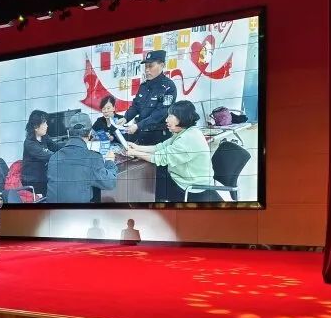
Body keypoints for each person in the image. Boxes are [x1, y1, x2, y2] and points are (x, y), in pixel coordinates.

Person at [126, 100, 218, 202]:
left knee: (148, 183)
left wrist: (135, 153)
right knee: (153, 174)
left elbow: (160, 158)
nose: (166, 120)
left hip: (191, 188)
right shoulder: (187, 131)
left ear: (181, 118)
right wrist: (137, 148)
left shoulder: (188, 138)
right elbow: (161, 147)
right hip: (185, 179)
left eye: (170, 116)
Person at [117, 50, 178, 200]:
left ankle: (160, 200)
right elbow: (136, 106)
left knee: (158, 172)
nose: (147, 70)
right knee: (141, 169)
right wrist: (125, 118)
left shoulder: (169, 87)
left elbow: (160, 114)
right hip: (143, 134)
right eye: (146, 66)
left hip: (159, 136)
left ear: (162, 65)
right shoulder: (144, 86)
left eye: (151, 66)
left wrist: (138, 126)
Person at [46, 113, 117, 203]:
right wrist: (110, 161)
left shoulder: (54, 157)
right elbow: (110, 183)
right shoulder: (93, 158)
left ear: (68, 133)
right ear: (90, 133)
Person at [21, 109, 62, 196]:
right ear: (36, 127)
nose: (47, 126)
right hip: (33, 182)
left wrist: (69, 147)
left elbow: (55, 146)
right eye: (44, 123)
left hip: (43, 177)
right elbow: (50, 156)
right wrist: (66, 155)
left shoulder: (44, 137)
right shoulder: (30, 143)